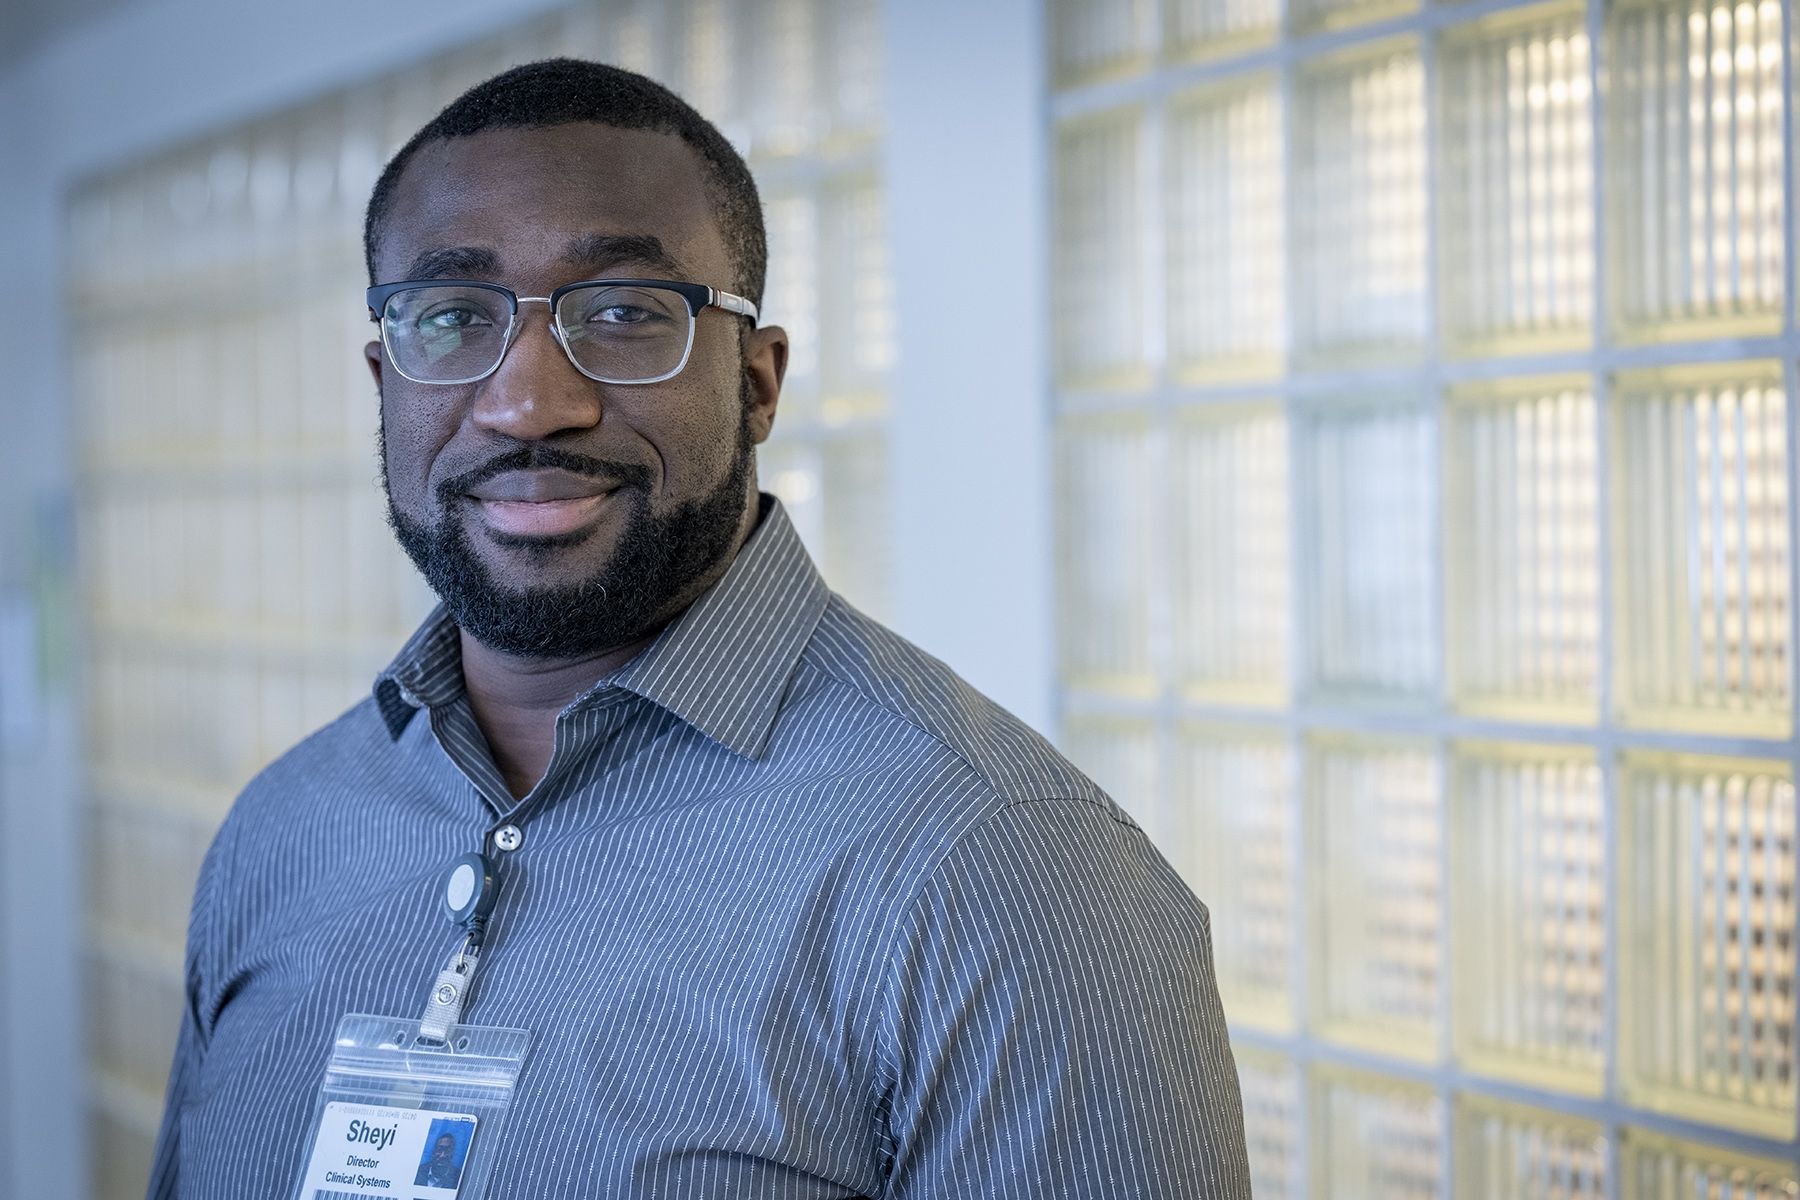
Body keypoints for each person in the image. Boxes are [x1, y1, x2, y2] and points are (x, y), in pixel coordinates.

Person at [145, 57, 1251, 1199]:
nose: (528, 403)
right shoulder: (282, 834)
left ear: (758, 383)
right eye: (455, 317)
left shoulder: (1002, 871)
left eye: (624, 313)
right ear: (386, 380)